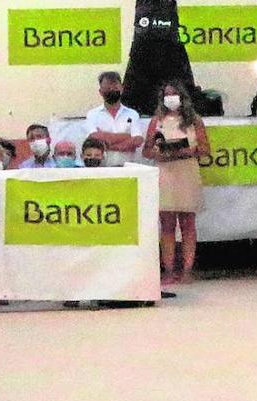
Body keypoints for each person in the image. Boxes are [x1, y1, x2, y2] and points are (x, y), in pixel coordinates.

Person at [144, 80, 210, 285]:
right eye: (167, 94)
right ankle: (169, 269)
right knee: (167, 224)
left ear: (182, 97)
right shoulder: (157, 120)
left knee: (188, 223)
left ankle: (188, 269)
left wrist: (186, 151)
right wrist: (158, 152)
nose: (170, 98)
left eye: (174, 94)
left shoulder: (194, 120)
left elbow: (205, 149)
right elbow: (146, 150)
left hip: (187, 171)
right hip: (165, 172)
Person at [85, 71, 145, 167]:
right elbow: (94, 137)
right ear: (100, 92)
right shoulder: (92, 114)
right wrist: (127, 137)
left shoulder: (133, 114)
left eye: (115, 87)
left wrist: (108, 145)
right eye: (108, 88)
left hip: (128, 169)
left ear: (122, 89)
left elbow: (137, 140)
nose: (112, 90)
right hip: (102, 169)